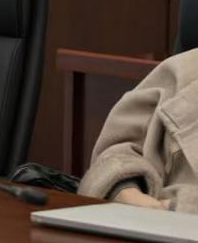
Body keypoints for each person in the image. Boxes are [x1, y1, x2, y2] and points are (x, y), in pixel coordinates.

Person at [78, 48, 198, 212]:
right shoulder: (183, 70)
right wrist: (125, 190)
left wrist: (178, 207)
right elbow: (116, 154)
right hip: (138, 217)